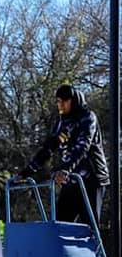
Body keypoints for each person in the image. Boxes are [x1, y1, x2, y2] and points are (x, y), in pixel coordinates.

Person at [17, 84, 110, 224]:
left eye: (65, 101)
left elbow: (82, 146)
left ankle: (94, 244)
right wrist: (26, 172)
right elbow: (49, 148)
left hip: (91, 179)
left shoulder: (87, 117)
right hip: (71, 180)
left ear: (74, 100)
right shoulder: (62, 123)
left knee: (90, 226)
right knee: (61, 223)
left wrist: (65, 169)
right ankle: (60, 245)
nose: (61, 105)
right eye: (59, 101)